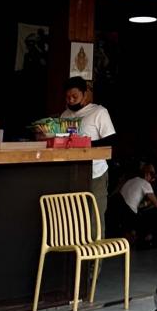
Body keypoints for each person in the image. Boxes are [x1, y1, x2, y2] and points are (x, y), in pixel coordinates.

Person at [59, 77, 117, 214]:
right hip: (71, 174)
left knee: (94, 216)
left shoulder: (99, 112)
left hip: (95, 174)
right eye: (67, 97)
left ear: (85, 94)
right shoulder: (64, 115)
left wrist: (85, 144)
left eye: (74, 96)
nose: (71, 100)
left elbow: (111, 140)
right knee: (74, 215)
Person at [108, 162, 157, 242]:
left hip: (118, 205)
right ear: (147, 174)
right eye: (152, 175)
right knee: (146, 218)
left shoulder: (132, 179)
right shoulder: (146, 184)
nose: (153, 178)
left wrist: (145, 203)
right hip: (128, 212)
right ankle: (144, 238)